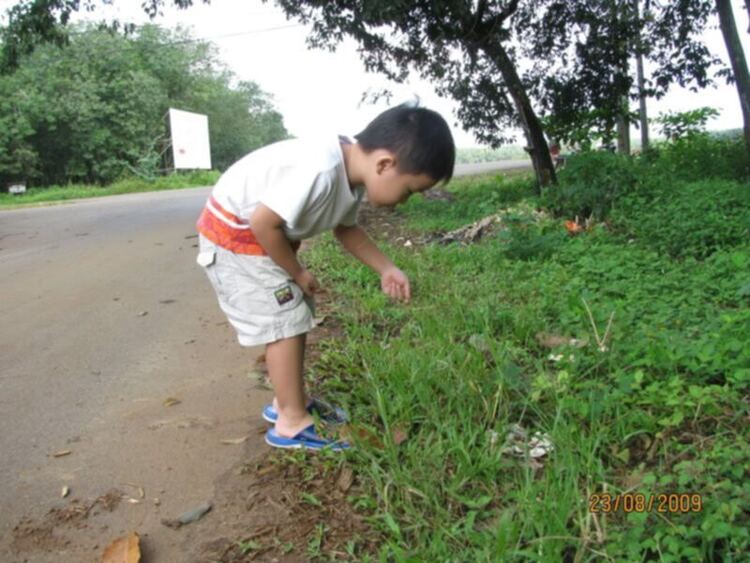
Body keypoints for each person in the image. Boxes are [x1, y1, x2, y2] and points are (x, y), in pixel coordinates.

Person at [195, 103, 455, 451]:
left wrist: (387, 268)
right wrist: (297, 271)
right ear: (385, 164)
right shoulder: (321, 169)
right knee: (284, 321)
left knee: (295, 315)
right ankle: (291, 422)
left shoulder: (350, 175)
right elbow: (262, 222)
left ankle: (289, 402)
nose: (405, 201)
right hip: (237, 240)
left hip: (256, 241)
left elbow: (346, 230)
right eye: (409, 190)